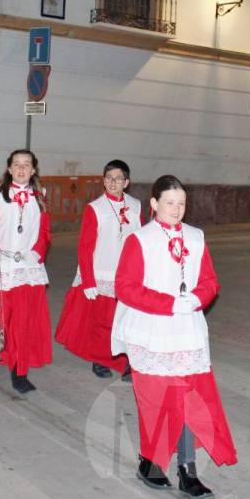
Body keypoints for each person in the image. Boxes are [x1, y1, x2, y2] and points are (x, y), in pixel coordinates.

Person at [112, 174, 236, 499]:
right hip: (151, 330)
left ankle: (187, 470)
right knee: (156, 401)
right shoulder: (140, 240)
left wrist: (197, 298)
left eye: (181, 203)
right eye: (170, 203)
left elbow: (209, 280)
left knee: (189, 399)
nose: (176, 209)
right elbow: (126, 287)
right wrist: (168, 304)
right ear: (154, 204)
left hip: (186, 329)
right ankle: (150, 462)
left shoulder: (195, 237)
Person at [0, 149, 52, 393]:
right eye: (17, 164)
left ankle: (19, 371)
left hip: (26, 269)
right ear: (9, 169)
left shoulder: (40, 198)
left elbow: (44, 234)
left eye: (26, 164)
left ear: (33, 170)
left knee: (22, 323)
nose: (21, 169)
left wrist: (37, 253)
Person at [55, 160, 141, 379]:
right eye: (109, 178)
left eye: (118, 179)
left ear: (126, 182)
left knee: (128, 321)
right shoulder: (96, 208)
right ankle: (100, 360)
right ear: (104, 181)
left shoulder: (136, 206)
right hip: (102, 272)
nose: (113, 183)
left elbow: (142, 239)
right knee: (103, 322)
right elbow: (85, 247)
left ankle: (128, 362)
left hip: (128, 274)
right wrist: (89, 280)